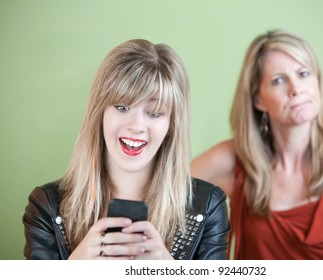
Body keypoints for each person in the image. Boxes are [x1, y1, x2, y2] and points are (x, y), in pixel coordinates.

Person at [191, 29, 323, 259]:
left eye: (303, 73)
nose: (296, 89)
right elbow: (160, 189)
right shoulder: (233, 159)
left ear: (317, 81)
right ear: (258, 99)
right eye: (278, 80)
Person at [23, 39, 230, 260]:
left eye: (155, 112)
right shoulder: (46, 206)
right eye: (122, 107)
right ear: (99, 112)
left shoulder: (208, 206)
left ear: (171, 124)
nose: (136, 126)